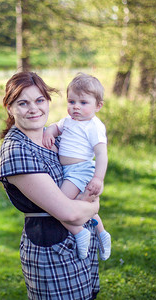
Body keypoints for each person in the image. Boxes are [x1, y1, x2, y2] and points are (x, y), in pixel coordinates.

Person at [0, 71, 101, 299]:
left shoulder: (56, 137)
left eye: (39, 100)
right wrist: (92, 208)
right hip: (51, 252)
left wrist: (86, 203)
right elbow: (68, 211)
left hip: (80, 241)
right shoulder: (16, 150)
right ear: (9, 107)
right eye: (23, 103)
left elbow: (87, 175)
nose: (33, 109)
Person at [42, 73, 111, 261]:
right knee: (84, 205)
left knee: (58, 206)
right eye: (71, 101)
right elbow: (56, 127)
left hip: (80, 171)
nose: (76, 107)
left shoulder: (94, 126)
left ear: (98, 106)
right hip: (70, 172)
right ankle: (101, 231)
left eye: (83, 102)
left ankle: (80, 232)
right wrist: (49, 131)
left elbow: (102, 155)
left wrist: (98, 178)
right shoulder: (69, 120)